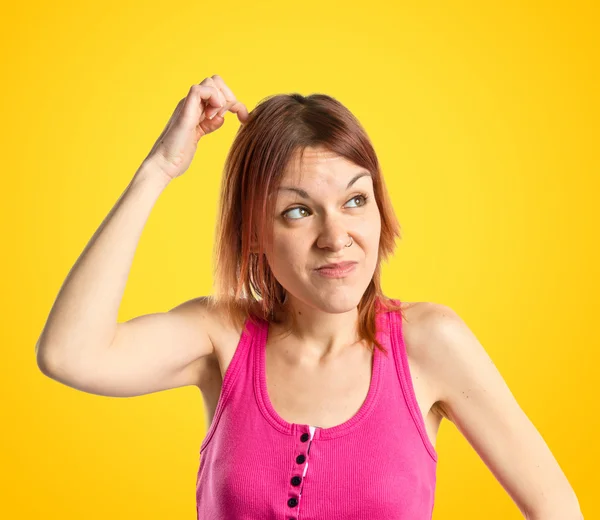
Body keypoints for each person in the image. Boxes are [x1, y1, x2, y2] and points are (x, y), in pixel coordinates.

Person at [35, 75, 583, 519]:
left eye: (355, 200)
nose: (335, 236)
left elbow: (556, 507)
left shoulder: (429, 343)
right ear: (254, 233)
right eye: (298, 210)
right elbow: (70, 354)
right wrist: (159, 170)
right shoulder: (219, 337)